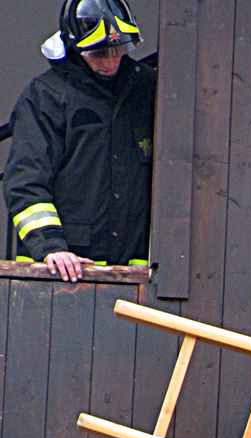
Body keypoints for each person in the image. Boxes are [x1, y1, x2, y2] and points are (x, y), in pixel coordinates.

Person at [3, 0, 155, 283]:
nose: (110, 62)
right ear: (75, 47)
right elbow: (25, 182)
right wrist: (51, 248)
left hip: (135, 277)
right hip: (57, 278)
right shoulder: (45, 96)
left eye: (118, 50)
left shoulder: (147, 90)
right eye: (99, 53)